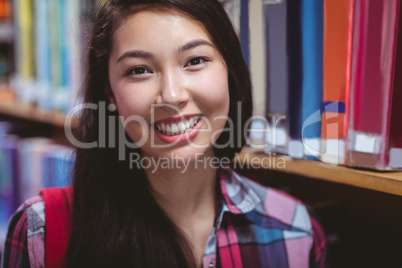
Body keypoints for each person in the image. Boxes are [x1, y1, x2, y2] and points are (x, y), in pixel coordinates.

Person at [1, 0, 326, 267]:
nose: (171, 95)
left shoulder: (294, 232)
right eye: (139, 70)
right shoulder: (39, 233)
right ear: (110, 96)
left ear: (230, 70)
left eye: (195, 60)